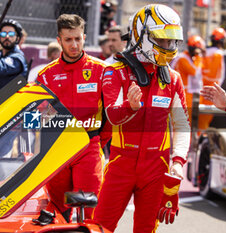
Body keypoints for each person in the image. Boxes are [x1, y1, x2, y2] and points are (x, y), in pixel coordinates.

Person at [93, 4, 190, 232]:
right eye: (162, 40)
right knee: (100, 226)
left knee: (147, 228)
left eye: (171, 41)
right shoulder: (115, 70)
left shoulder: (173, 78)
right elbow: (113, 117)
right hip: (121, 164)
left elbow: (182, 125)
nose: (168, 47)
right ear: (142, 36)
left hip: (158, 167)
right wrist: (130, 107)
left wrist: (177, 164)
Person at [36, 14, 108, 221]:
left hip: (89, 147)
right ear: (59, 41)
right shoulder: (45, 75)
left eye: (78, 38)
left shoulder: (102, 71)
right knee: (57, 210)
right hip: (58, 149)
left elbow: (111, 116)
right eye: (68, 39)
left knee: (88, 209)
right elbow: (42, 117)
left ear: (84, 37)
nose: (74, 44)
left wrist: (97, 141)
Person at [171, 35, 205, 123]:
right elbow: (194, 71)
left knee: (187, 121)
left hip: (185, 93)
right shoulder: (183, 58)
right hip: (181, 93)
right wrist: (198, 57)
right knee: (184, 121)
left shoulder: (188, 58)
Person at [199, 28, 226, 129]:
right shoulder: (218, 54)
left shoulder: (204, 52)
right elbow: (216, 76)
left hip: (199, 91)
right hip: (211, 92)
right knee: (202, 123)